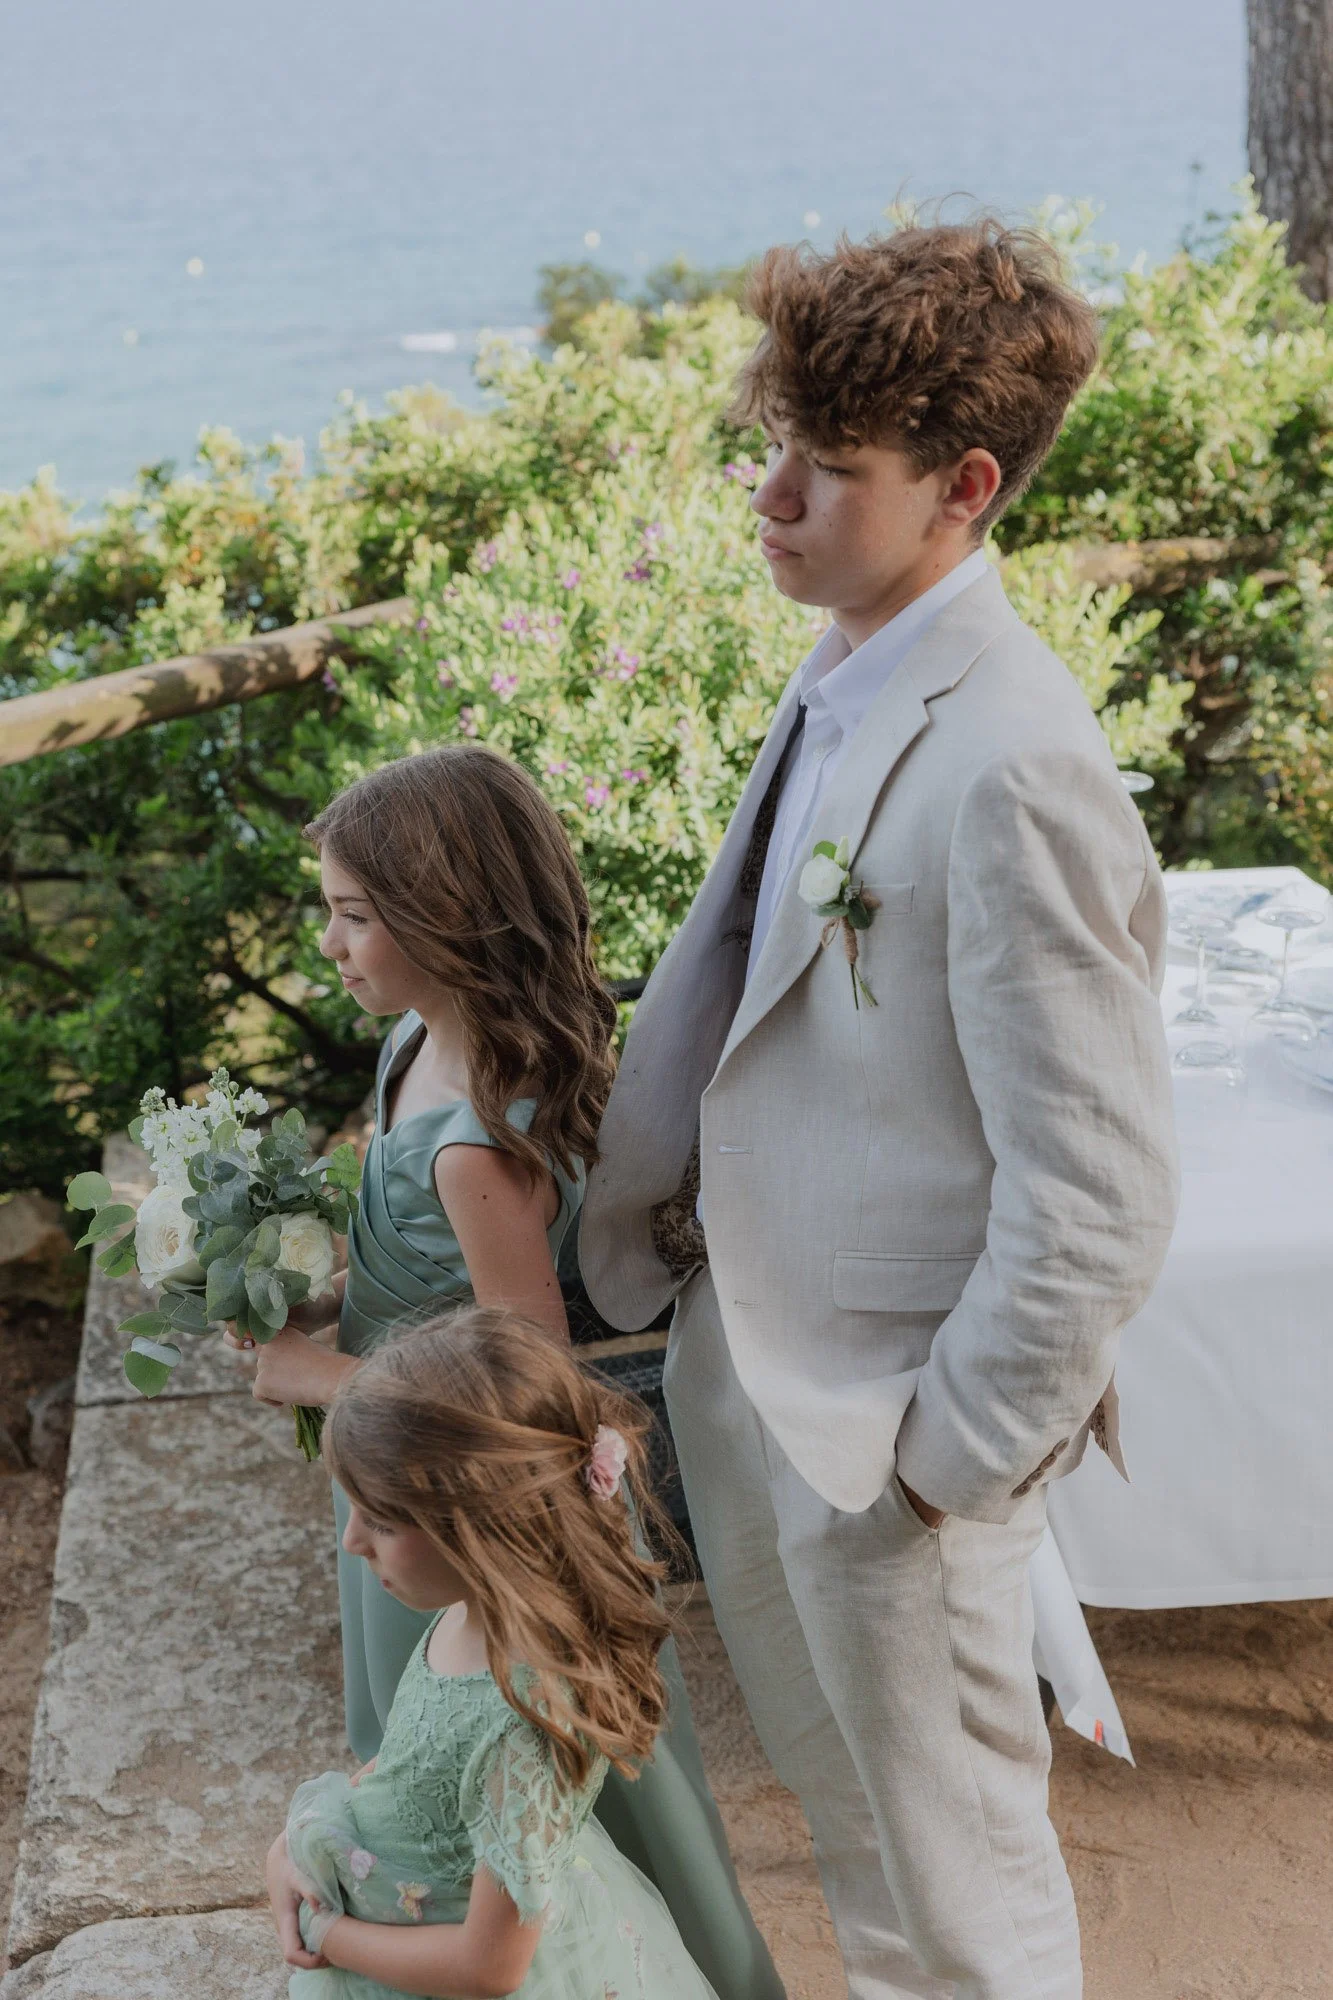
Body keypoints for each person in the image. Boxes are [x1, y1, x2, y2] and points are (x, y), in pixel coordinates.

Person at [580, 219, 1179, 2000]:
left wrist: (937, 1470)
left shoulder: (1017, 764)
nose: (769, 494)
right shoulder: (847, 668)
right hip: (754, 1381)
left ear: (962, 488)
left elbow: (1097, 1196)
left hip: (889, 1439)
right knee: (861, 1855)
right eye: (772, 444)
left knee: (965, 1901)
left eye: (827, 468)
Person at [229, 744, 783, 2000]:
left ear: (445, 915)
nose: (330, 944)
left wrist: (317, 1374)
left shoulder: (478, 1135)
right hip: (409, 1472)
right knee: (424, 1767)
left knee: (525, 1778)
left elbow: (523, 1359)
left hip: (470, 1506)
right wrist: (321, 1292)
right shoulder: (418, 1043)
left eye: (355, 916)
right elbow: (409, 1272)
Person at [265, 1305, 725, 1998]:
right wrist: (291, 1853)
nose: (351, 1541)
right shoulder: (468, 1612)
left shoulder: (526, 1718)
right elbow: (410, 1769)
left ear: (483, 1527)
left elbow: (489, 1967)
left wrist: (328, 1934)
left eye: (383, 1521)